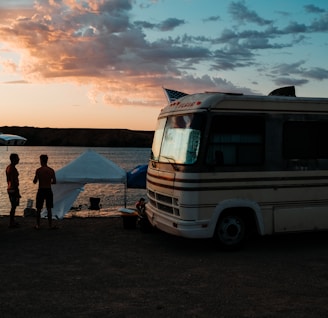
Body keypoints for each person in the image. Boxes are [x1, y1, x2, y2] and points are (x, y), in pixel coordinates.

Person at [33, 154, 57, 229]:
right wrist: (48, 182)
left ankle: (38, 225)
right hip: (48, 189)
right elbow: (54, 182)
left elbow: (35, 181)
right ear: (47, 160)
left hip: (41, 190)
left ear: (41, 160)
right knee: (49, 208)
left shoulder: (38, 170)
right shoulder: (51, 170)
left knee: (39, 208)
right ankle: (50, 225)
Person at [6, 153, 21, 228]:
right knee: (13, 206)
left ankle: (12, 221)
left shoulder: (8, 167)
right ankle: (11, 222)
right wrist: (17, 191)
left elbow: (8, 180)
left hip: (10, 188)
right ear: (14, 159)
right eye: (17, 158)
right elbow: (14, 181)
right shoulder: (13, 169)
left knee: (13, 206)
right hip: (13, 189)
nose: (19, 159)